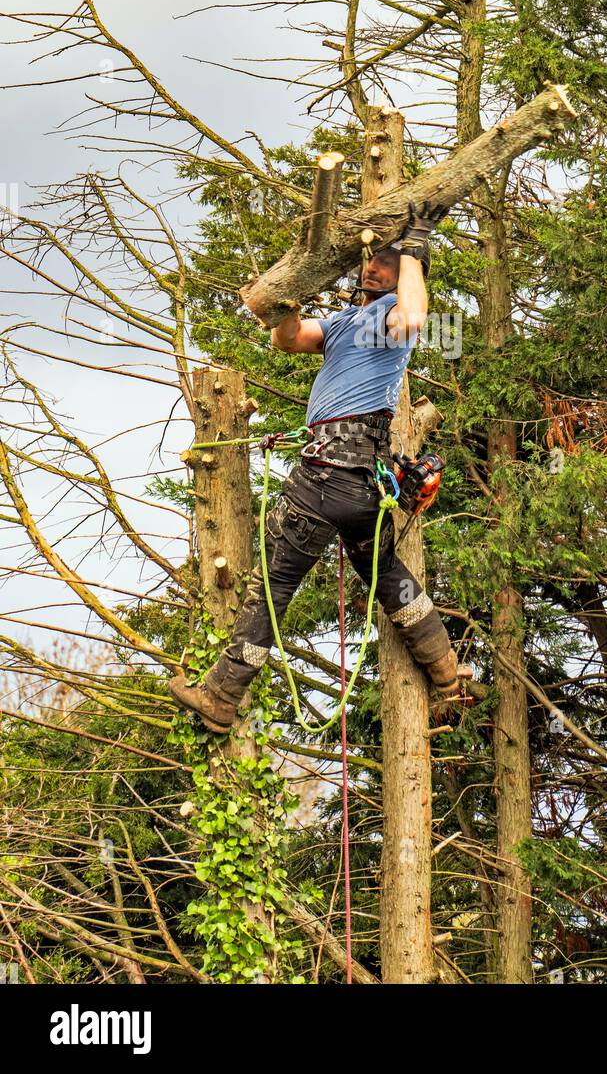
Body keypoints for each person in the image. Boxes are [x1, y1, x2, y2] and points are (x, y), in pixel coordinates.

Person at [169, 202, 472, 733]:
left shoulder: (388, 318)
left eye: (386, 260)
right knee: (388, 576)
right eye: (371, 258)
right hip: (359, 486)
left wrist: (417, 247)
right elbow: (289, 339)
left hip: (327, 476)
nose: (371, 266)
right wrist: (284, 302)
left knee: (273, 586)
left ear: (404, 271)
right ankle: (447, 674)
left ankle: (221, 695)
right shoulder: (348, 320)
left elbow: (416, 315)